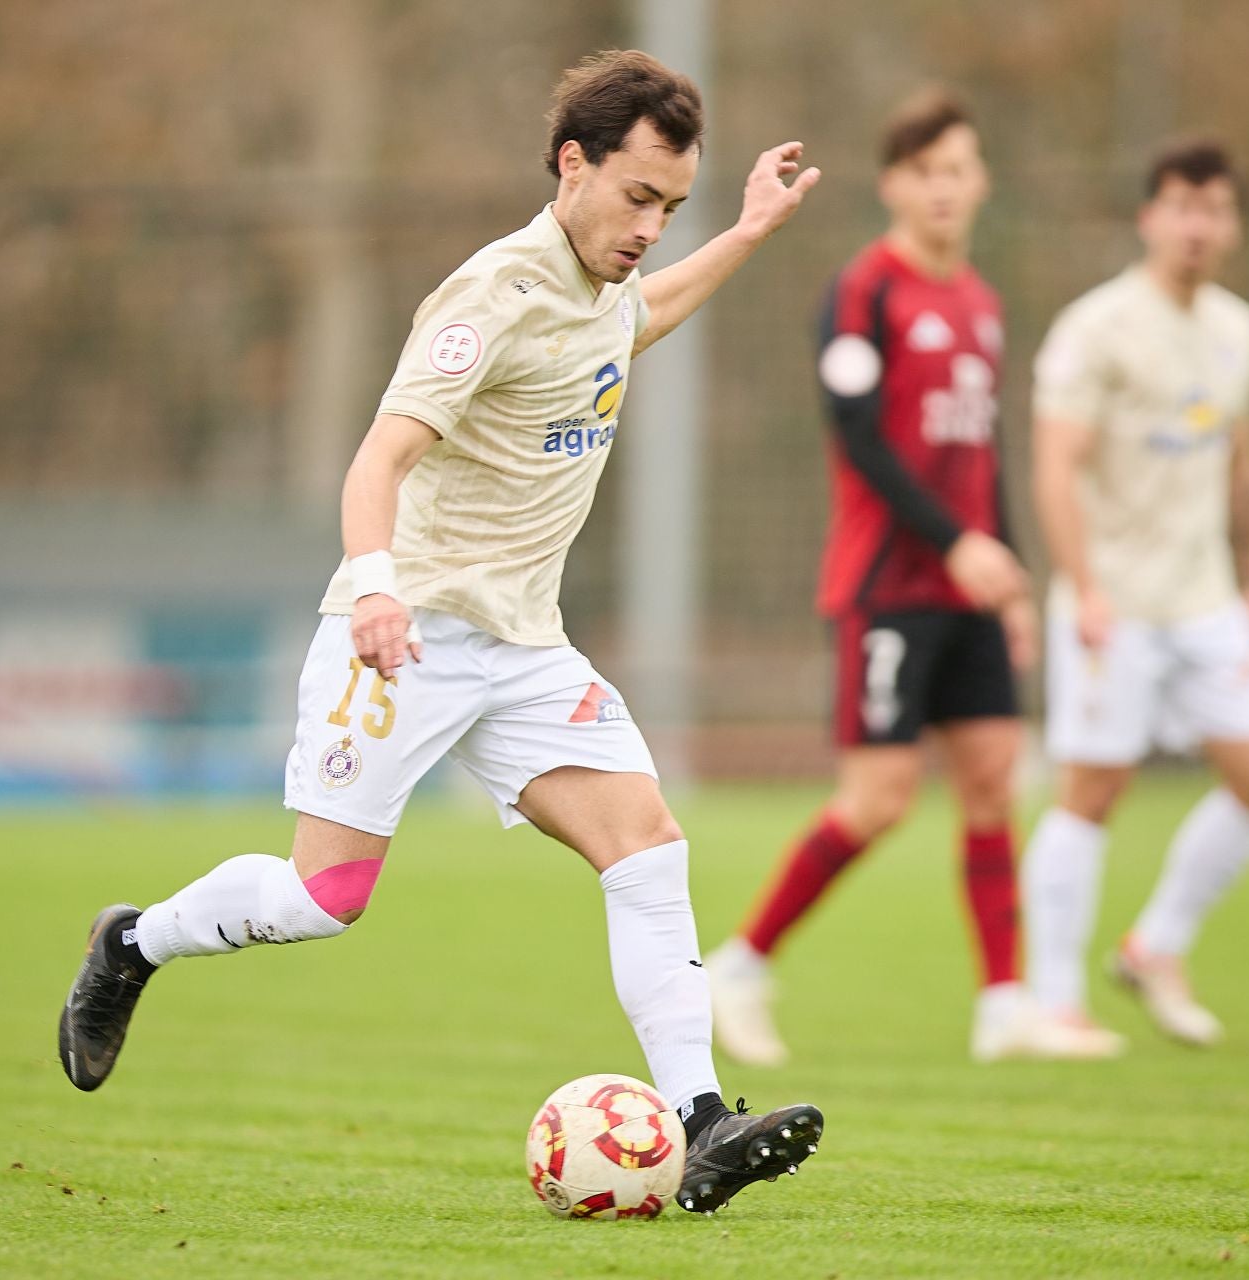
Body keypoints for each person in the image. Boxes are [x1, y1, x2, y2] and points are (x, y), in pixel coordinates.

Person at [56, 50, 825, 1215]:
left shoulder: (606, 290)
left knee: (647, 845)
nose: (652, 228)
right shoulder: (493, 295)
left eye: (672, 207)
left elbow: (637, 320)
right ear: (573, 164)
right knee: (327, 897)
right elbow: (380, 458)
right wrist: (375, 588)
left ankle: (702, 1120)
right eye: (637, 198)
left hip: (524, 649)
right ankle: (134, 943)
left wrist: (750, 231)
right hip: (405, 636)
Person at [705, 91, 1053, 1066]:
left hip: (970, 587)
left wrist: (1010, 576)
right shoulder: (864, 291)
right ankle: (740, 960)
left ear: (979, 182)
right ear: (894, 183)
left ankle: (1005, 1002)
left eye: (959, 170)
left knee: (992, 778)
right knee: (880, 796)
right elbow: (860, 440)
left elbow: (985, 457)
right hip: (888, 587)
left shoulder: (981, 302)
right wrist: (956, 545)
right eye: (924, 172)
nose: (943, 189)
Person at [1024, 139, 1249, 1055]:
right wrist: (1085, 588)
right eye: (1182, 206)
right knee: (1093, 787)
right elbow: (1056, 468)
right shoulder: (1096, 328)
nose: (1198, 225)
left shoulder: (1238, 330)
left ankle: (1154, 946)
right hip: (1117, 603)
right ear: (1150, 218)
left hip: (1206, 598)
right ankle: (1054, 1000)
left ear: (1232, 225)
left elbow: (1241, 463)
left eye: (1215, 208)